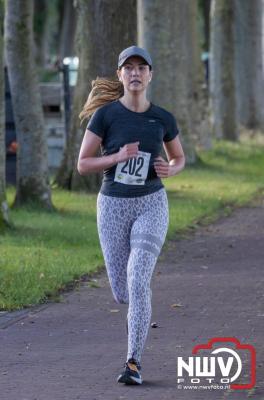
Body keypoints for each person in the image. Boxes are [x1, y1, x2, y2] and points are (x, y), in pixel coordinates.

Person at [77, 45, 185, 385]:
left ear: (150, 75)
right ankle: (134, 339)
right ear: (120, 75)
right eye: (129, 68)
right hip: (112, 206)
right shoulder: (106, 116)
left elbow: (179, 157)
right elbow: (83, 164)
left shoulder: (163, 118)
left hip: (151, 203)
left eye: (142, 67)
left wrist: (172, 169)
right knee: (122, 292)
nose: (135, 73)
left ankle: (133, 363)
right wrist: (117, 157)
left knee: (138, 279)